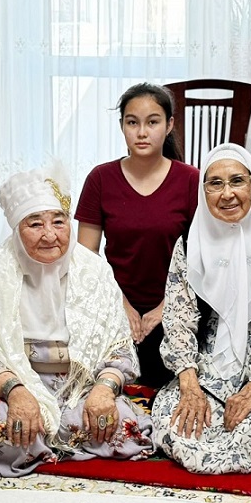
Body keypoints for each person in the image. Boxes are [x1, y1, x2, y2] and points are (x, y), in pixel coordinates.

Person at [0, 164, 154, 480]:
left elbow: (119, 351)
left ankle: (42, 445)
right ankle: (55, 442)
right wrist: (16, 392)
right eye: (35, 224)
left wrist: (104, 390)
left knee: (122, 427)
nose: (50, 235)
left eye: (58, 221)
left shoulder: (93, 270)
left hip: (79, 386)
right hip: (19, 382)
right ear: (17, 229)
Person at [151, 143, 251, 475]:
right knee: (174, 427)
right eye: (215, 183)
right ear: (203, 190)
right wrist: (189, 384)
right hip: (201, 373)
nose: (227, 194)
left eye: (237, 181)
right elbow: (178, 319)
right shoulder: (189, 243)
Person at [76, 83, 200, 388]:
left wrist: (166, 308)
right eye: (132, 123)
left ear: (169, 125)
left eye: (152, 122)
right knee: (91, 366)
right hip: (113, 299)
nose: (142, 132)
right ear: (122, 126)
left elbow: (203, 258)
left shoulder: (191, 180)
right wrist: (121, 304)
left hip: (175, 303)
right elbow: (85, 258)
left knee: (163, 370)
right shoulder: (100, 178)